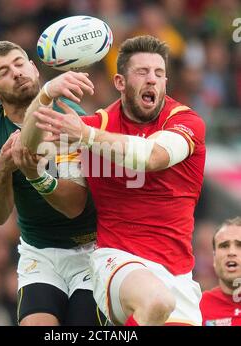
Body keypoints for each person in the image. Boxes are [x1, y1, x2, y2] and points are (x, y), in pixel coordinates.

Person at [21, 35, 206, 326]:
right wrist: (46, 94)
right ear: (120, 82)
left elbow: (152, 157)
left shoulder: (185, 121)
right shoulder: (95, 125)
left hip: (178, 275)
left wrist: (86, 136)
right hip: (116, 261)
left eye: (159, 74)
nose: (152, 80)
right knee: (157, 301)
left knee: (162, 301)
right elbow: (28, 146)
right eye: (142, 72)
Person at [0, 40, 108, 326]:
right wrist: (3, 167)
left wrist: (35, 175)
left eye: (20, 63)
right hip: (39, 253)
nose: (17, 73)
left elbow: (74, 206)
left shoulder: (71, 118)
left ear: (34, 68)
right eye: (4, 71)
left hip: (89, 250)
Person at [200, 217, 241, 326]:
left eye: (240, 245)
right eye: (224, 246)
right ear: (214, 258)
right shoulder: (196, 306)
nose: (231, 252)